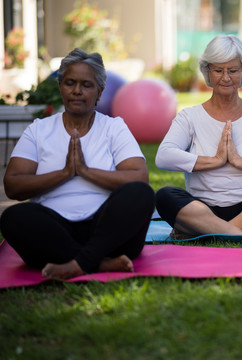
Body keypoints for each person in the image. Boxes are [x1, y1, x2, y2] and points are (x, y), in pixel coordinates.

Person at [0, 48, 155, 280]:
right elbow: (13, 186)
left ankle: (78, 262)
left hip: (109, 231)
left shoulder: (114, 128)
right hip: (54, 232)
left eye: (86, 85)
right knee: (13, 218)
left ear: (99, 91)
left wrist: (85, 171)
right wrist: (64, 173)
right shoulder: (38, 130)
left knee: (141, 193)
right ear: (60, 85)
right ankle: (98, 263)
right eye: (70, 83)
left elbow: (139, 177)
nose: (77, 91)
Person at [155, 35, 242, 244]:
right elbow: (164, 156)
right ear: (207, 72)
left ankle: (203, 231)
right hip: (203, 208)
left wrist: (241, 161)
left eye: (233, 70)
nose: (226, 77)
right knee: (165, 196)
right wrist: (215, 160)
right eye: (218, 70)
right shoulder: (190, 116)